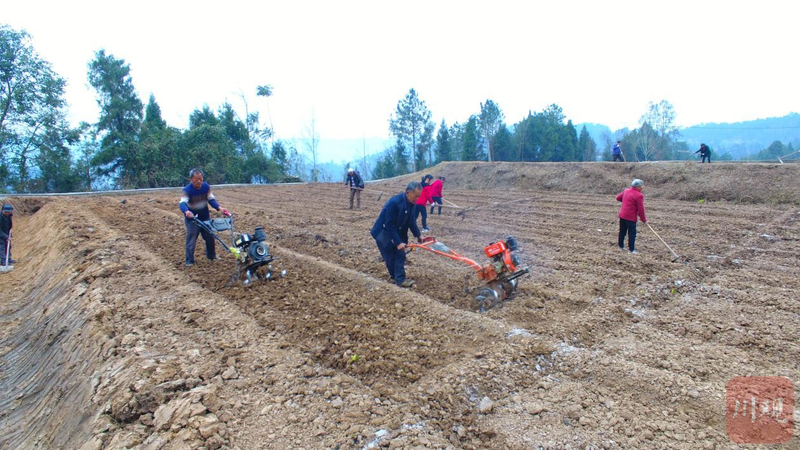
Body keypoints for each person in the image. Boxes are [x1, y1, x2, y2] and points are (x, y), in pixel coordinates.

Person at [371, 182, 423, 288]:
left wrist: (418, 235)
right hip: (383, 232)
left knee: (400, 254)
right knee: (390, 256)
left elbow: (411, 221)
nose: (417, 199)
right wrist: (398, 242)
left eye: (419, 196)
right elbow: (389, 224)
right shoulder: (394, 203)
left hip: (398, 230)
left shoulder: (412, 204)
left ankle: (399, 278)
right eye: (416, 196)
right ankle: (397, 278)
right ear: (408, 193)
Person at [179, 169, 230, 267]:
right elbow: (182, 203)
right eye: (196, 179)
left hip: (204, 217)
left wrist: (220, 208)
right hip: (192, 219)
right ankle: (189, 261)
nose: (199, 181)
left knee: (210, 236)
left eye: (200, 179)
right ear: (191, 179)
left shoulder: (206, 187)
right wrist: (187, 211)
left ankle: (211, 256)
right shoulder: (187, 190)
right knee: (192, 238)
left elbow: (211, 200)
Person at [616, 179, 647, 254]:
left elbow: (618, 198)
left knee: (622, 231)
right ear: (637, 187)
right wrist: (644, 219)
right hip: (630, 217)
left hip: (622, 215)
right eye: (641, 186)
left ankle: (620, 245)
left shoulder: (626, 191)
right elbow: (640, 209)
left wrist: (627, 202)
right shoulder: (639, 195)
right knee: (632, 233)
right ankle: (632, 249)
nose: (642, 187)